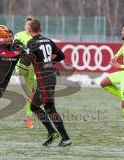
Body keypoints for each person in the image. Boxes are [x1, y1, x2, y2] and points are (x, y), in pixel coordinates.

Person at [26, 19, 72, 147]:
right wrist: (51, 63)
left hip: (44, 78)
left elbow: (29, 60)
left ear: (30, 30)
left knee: (50, 108)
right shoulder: (48, 40)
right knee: (34, 107)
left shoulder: (32, 42)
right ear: (40, 29)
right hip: (49, 76)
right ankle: (51, 132)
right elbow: (61, 55)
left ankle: (66, 138)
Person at [14, 16, 36, 129]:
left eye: (30, 25)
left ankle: (28, 115)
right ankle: (29, 116)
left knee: (33, 92)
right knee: (29, 93)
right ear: (25, 26)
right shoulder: (18, 35)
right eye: (27, 24)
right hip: (21, 67)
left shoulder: (36, 38)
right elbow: (15, 48)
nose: (29, 27)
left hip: (32, 68)